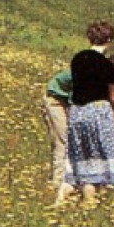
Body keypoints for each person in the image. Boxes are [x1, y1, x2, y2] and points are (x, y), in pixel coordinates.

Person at [57, 19, 114, 207]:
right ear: (109, 40)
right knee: (97, 160)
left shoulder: (79, 59)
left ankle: (61, 201)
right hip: (98, 112)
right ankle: (88, 203)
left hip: (77, 113)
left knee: (78, 158)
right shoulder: (106, 65)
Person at [41, 67, 73, 197]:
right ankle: (58, 181)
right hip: (55, 100)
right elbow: (75, 101)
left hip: (64, 99)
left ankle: (67, 180)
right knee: (62, 141)